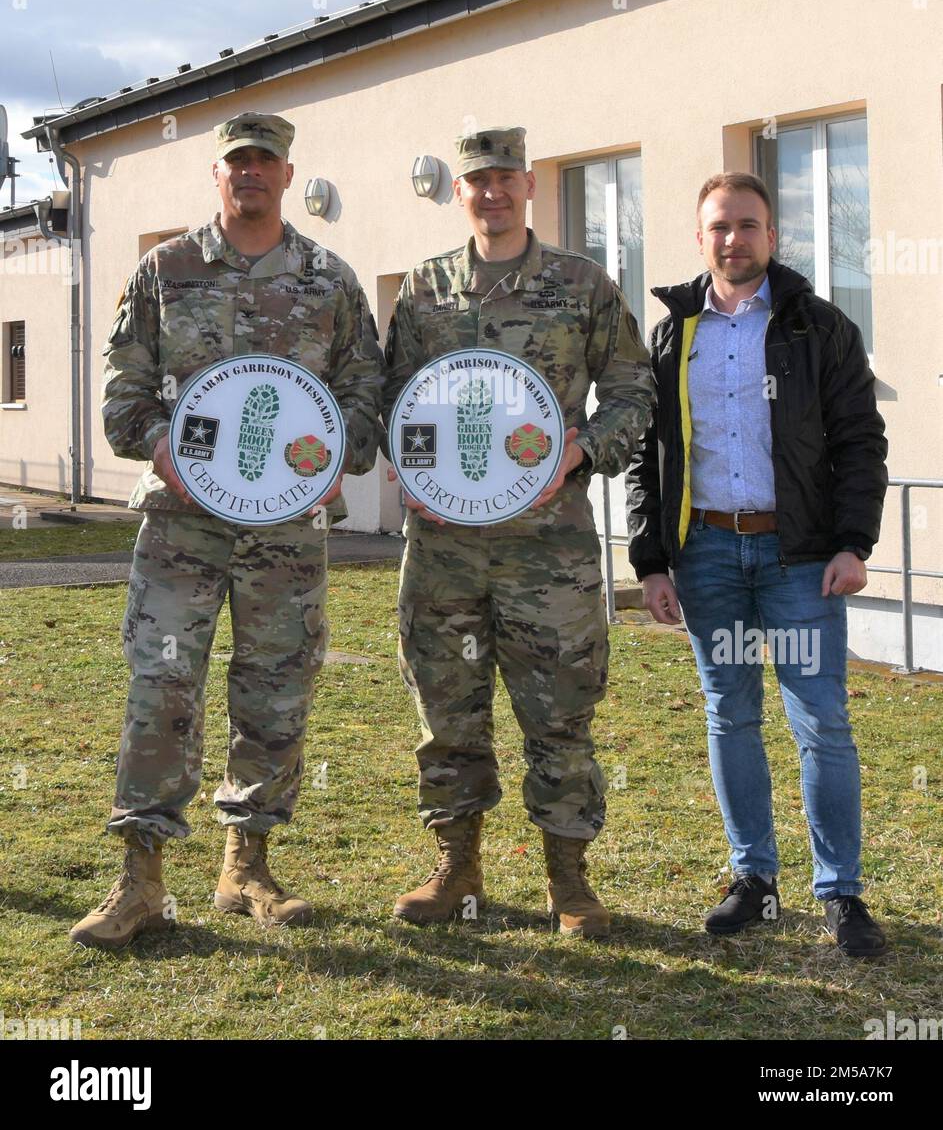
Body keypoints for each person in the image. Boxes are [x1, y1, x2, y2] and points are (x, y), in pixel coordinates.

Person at [70, 112, 384, 950]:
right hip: (182, 521)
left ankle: (246, 865)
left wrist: (332, 454)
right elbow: (122, 397)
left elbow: (363, 396)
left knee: (276, 687)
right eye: (235, 161)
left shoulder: (329, 279)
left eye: (264, 162)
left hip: (287, 527)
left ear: (288, 175)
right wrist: (162, 450)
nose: (250, 173)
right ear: (217, 175)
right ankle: (139, 879)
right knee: (160, 689)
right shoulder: (165, 269)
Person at [382, 126, 653, 939]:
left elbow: (634, 390)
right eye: (476, 180)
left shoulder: (579, 284)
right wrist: (409, 474)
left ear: (528, 185)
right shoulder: (426, 288)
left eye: (504, 177)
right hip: (443, 549)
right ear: (458, 192)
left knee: (560, 715)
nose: (490, 191)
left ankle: (568, 882)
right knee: (446, 714)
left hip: (550, 549)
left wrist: (584, 449)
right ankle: (455, 869)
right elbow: (399, 399)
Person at [625, 170, 889, 957]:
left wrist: (853, 543)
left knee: (822, 723)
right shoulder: (673, 334)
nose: (732, 239)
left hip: (798, 554)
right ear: (699, 237)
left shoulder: (818, 327)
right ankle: (753, 880)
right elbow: (650, 454)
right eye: (718, 226)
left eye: (746, 225)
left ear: (771, 237)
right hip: (704, 550)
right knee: (729, 714)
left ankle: (840, 893)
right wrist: (650, 560)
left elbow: (859, 441)